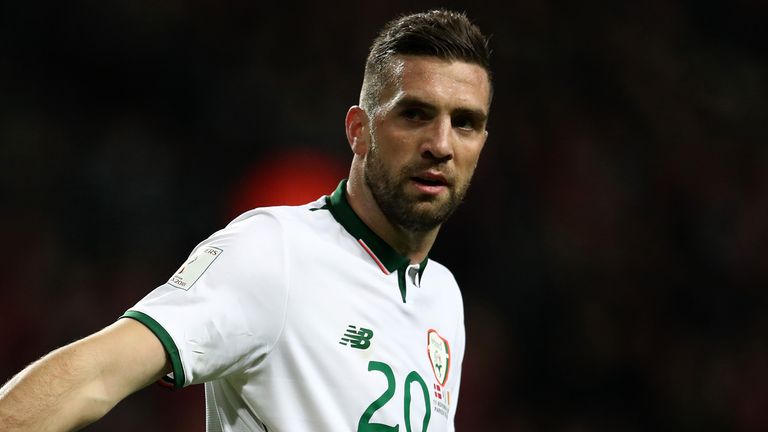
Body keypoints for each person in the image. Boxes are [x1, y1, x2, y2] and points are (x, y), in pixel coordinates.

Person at [0, 9, 492, 431]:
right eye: (414, 114)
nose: (441, 144)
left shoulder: (442, 296)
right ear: (359, 132)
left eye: (464, 122)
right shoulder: (275, 250)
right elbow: (95, 375)